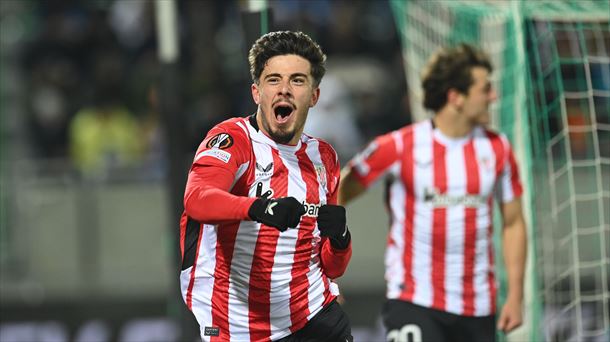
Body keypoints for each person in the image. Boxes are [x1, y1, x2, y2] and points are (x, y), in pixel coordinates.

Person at [338, 43, 527, 342]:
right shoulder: (399, 146)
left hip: (478, 306)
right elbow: (335, 194)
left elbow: (514, 222)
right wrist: (323, 271)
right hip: (415, 300)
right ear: (456, 97)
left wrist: (516, 295)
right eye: (485, 89)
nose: (493, 97)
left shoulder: (497, 148)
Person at [179, 31, 353, 342]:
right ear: (257, 92)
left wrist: (340, 239)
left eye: (297, 80)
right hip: (238, 323)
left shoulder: (323, 157)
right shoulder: (234, 139)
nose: (284, 90)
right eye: (274, 80)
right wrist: (258, 207)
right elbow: (198, 199)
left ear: (314, 96)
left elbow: (332, 265)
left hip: (313, 314)